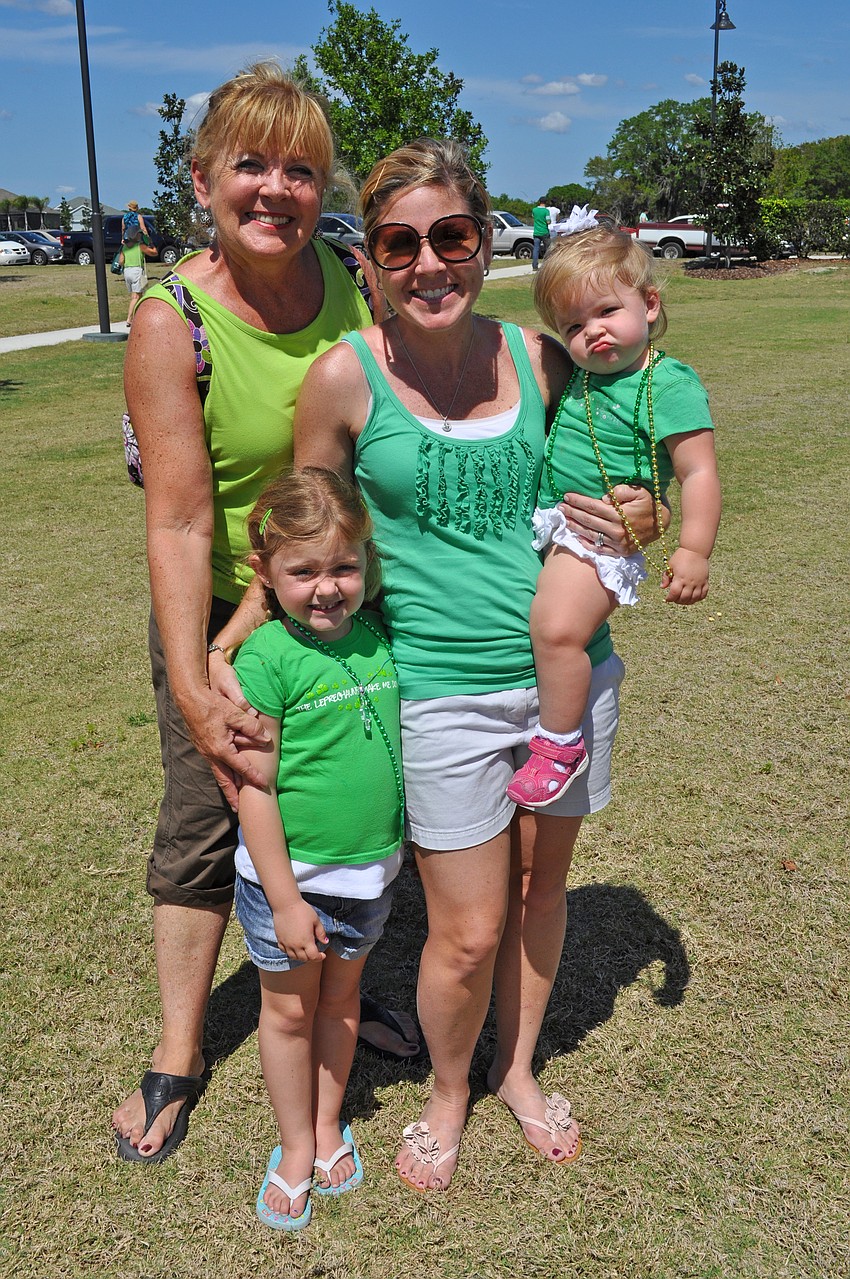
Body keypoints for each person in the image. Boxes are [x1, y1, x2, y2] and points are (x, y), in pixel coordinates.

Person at [218, 138, 665, 1192]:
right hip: (440, 695)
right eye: (399, 243)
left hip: (568, 677)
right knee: (464, 932)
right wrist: (235, 636)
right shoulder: (344, 376)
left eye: (451, 237)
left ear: (484, 239)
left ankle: (515, 1070)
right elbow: (302, 527)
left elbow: (629, 468)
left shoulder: (542, 359)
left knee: (539, 893)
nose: (429, 263)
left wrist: (647, 514)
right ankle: (449, 1087)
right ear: (368, 259)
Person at [112, 61, 416, 1167]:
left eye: (300, 167)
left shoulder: (353, 275)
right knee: (205, 811)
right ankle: (181, 1047)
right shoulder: (171, 317)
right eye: (251, 164)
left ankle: (343, 989)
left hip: (346, 593)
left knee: (359, 786)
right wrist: (199, 677)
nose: (277, 188)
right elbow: (182, 522)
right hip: (231, 604)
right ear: (204, 182)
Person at [232, 468, 403, 1231]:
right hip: (288, 886)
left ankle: (331, 1120)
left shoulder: (379, 631)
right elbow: (256, 791)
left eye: (343, 566)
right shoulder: (264, 658)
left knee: (340, 1002)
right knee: (290, 1014)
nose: (327, 588)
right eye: (304, 570)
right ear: (264, 573)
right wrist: (287, 900)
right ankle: (296, 1145)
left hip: (370, 877)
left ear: (368, 563)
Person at [506, 218, 721, 808]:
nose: (592, 333)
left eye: (606, 312)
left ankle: (559, 743)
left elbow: (698, 471)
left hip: (597, 537)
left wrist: (693, 548)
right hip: (557, 524)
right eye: (574, 326)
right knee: (549, 623)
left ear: (649, 305)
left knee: (556, 630)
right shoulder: (578, 376)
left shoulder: (666, 382)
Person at [532, 196, 551, 271]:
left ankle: (534, 265)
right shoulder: (546, 211)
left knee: (536, 249)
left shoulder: (534, 210)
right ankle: (546, 265)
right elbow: (548, 221)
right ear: (545, 202)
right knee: (548, 249)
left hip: (536, 232)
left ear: (539, 202)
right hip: (544, 232)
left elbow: (533, 217)